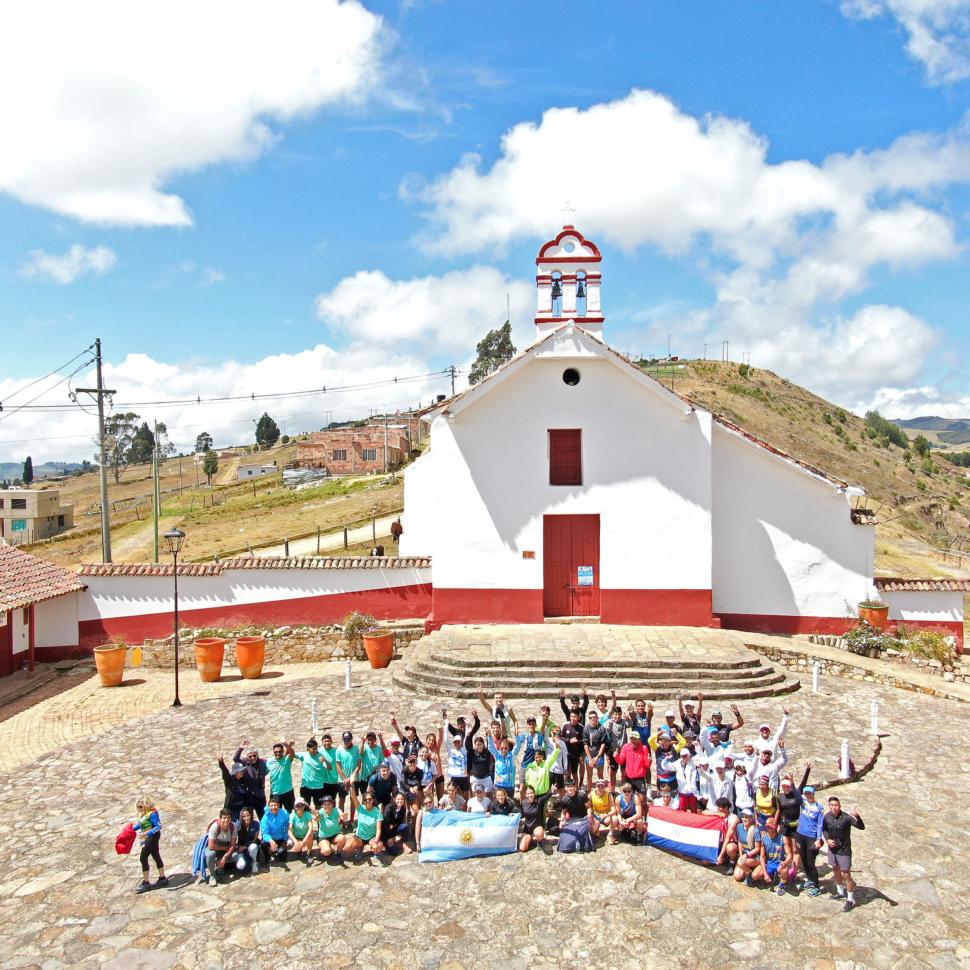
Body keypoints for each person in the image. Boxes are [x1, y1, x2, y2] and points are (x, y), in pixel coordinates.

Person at [823, 796, 865, 911]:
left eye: (836, 805)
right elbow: (824, 829)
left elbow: (861, 827)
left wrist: (857, 816)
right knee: (835, 868)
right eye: (832, 805)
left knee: (846, 874)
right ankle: (840, 891)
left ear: (839, 806)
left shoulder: (846, 818)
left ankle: (850, 899)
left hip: (844, 850)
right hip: (833, 849)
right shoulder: (827, 817)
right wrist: (827, 840)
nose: (834, 807)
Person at [795, 783, 826, 897]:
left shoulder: (819, 807)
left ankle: (817, 886)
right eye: (806, 793)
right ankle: (810, 880)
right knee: (804, 859)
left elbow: (820, 825)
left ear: (813, 794)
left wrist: (819, 839)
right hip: (800, 835)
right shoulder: (803, 803)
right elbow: (796, 792)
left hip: (811, 837)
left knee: (811, 862)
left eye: (810, 793)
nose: (808, 795)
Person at [134, 796, 167, 893]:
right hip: (148, 837)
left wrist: (146, 834)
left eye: (142, 805)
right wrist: (131, 829)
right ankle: (162, 878)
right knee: (155, 855)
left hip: (152, 837)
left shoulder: (152, 814)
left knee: (143, 858)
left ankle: (146, 882)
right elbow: (141, 824)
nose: (140, 808)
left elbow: (158, 826)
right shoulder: (145, 814)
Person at [344, 788, 385, 860]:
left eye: (370, 799)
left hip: (372, 837)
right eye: (365, 800)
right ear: (363, 801)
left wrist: (376, 841)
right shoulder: (361, 808)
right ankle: (360, 846)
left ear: (373, 800)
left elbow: (378, 829)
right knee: (348, 847)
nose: (368, 801)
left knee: (379, 847)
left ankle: (373, 846)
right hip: (360, 837)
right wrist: (352, 785)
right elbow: (353, 796)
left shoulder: (377, 812)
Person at [233, 741, 269, 818]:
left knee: (263, 817)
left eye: (254, 756)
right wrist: (240, 749)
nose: (252, 758)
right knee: (249, 818)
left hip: (260, 796)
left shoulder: (263, 762)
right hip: (250, 796)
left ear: (257, 755)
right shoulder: (245, 762)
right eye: (250, 756)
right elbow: (235, 758)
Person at [334, 731, 363, 824]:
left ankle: (352, 820)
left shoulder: (356, 749)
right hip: (342, 780)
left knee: (353, 799)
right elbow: (338, 767)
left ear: (351, 739)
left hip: (354, 780)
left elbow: (359, 765)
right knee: (342, 800)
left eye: (348, 739)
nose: (346, 741)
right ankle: (341, 821)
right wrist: (344, 779)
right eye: (345, 739)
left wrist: (352, 777)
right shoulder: (339, 750)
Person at [297, 738, 332, 810]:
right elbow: (292, 754)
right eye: (313, 749)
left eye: (316, 748)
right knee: (305, 806)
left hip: (318, 787)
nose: (315, 751)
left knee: (319, 807)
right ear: (308, 749)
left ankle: (318, 821)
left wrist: (325, 760)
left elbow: (330, 768)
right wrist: (287, 745)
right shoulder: (303, 756)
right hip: (306, 786)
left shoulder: (321, 756)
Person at [443, 711, 472, 796]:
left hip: (464, 776)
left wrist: (467, 726)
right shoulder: (451, 751)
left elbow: (467, 737)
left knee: (466, 795)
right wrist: (446, 725)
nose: (457, 744)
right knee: (455, 795)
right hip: (454, 776)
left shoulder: (464, 749)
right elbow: (446, 739)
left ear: (462, 742)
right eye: (455, 742)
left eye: (458, 742)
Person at [217, 753, 251, 822]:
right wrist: (221, 761)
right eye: (239, 771)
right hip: (233, 809)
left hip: (242, 807)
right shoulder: (230, 781)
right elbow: (225, 772)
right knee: (233, 826)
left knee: (243, 826)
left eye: (242, 771)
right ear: (235, 772)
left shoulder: (244, 781)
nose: (241, 772)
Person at [761, 819, 793, 894]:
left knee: (785, 871)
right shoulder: (764, 838)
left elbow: (789, 854)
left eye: (771, 827)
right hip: (770, 863)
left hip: (779, 863)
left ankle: (782, 884)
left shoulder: (782, 838)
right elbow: (762, 856)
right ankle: (771, 875)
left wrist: (785, 862)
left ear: (775, 827)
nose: (769, 829)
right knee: (756, 875)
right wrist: (765, 873)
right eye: (768, 827)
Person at [615, 731, 652, 796]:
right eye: (632, 739)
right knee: (629, 798)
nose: (634, 741)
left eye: (635, 739)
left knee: (642, 799)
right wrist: (616, 756)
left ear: (639, 739)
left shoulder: (644, 748)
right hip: (629, 777)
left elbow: (647, 765)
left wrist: (649, 761)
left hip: (640, 777)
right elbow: (620, 761)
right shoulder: (626, 747)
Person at [206, 809, 238, 882]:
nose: (226, 820)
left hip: (224, 849)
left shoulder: (233, 827)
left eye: (228, 818)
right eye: (224, 818)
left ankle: (220, 865)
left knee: (235, 855)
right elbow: (211, 846)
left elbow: (233, 845)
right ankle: (212, 875)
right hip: (215, 848)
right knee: (211, 854)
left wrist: (225, 857)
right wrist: (223, 848)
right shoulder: (215, 827)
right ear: (221, 818)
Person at [709, 797, 741, 869]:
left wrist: (720, 856)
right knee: (706, 861)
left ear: (726, 807)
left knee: (730, 848)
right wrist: (715, 813)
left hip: (732, 842)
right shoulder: (719, 814)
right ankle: (724, 858)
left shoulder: (733, 819)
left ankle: (732, 862)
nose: (718, 809)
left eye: (720, 807)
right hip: (720, 841)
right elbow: (703, 812)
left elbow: (727, 838)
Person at [605, 706, 631, 789]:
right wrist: (610, 724)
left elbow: (630, 724)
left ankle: (624, 788)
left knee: (623, 770)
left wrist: (628, 718)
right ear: (613, 714)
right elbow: (607, 730)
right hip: (613, 750)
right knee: (613, 770)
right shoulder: (610, 722)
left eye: (619, 714)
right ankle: (613, 788)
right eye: (616, 714)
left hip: (623, 750)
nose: (618, 716)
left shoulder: (623, 722)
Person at [733, 809, 763, 884]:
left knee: (740, 863)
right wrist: (740, 855)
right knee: (738, 877)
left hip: (754, 856)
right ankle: (748, 870)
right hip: (744, 855)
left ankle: (749, 874)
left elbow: (757, 848)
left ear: (751, 819)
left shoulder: (755, 830)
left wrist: (746, 855)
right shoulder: (739, 827)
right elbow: (739, 841)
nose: (744, 819)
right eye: (743, 817)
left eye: (746, 817)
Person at [259, 796, 290, 865]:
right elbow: (264, 833)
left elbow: (287, 828)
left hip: (280, 838)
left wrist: (285, 841)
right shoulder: (266, 817)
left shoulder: (284, 813)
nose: (273, 807)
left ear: (279, 805)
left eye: (275, 805)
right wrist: (271, 841)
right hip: (271, 838)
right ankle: (267, 856)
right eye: (271, 806)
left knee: (283, 858)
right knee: (263, 843)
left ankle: (278, 851)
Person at [267, 741, 297, 813]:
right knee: (275, 813)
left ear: (283, 751)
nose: (278, 753)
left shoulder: (287, 760)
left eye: (280, 751)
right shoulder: (269, 763)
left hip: (288, 791)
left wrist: (286, 745)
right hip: (275, 793)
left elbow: (292, 753)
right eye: (276, 752)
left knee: (290, 812)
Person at [583, 710, 609, 790]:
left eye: (594, 718)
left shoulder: (602, 729)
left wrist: (598, 757)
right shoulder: (586, 729)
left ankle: (602, 792)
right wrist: (590, 758)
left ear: (597, 718)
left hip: (599, 755)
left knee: (600, 776)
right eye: (590, 718)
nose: (592, 719)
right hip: (590, 755)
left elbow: (603, 744)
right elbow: (585, 744)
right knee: (589, 776)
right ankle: (589, 793)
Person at [316, 794, 346, 860]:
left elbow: (341, 815)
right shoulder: (321, 811)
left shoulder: (336, 810)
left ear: (332, 804)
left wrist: (343, 816)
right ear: (322, 805)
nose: (327, 806)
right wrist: (317, 817)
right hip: (324, 837)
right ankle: (325, 848)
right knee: (326, 851)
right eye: (325, 804)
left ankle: (338, 853)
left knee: (343, 838)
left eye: (329, 804)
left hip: (335, 835)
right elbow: (317, 818)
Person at [560, 710, 585, 786]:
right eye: (572, 716)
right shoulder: (566, 726)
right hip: (566, 753)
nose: (573, 718)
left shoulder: (581, 728)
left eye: (575, 717)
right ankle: (566, 788)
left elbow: (584, 740)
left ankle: (576, 788)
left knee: (574, 772)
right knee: (567, 772)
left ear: (578, 718)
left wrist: (577, 741)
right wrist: (569, 740)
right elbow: (561, 737)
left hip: (576, 753)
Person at [518, 785, 546, 852]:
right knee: (522, 848)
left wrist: (552, 791)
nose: (530, 795)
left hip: (537, 826)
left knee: (539, 833)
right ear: (525, 794)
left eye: (531, 793)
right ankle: (530, 838)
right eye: (528, 793)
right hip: (528, 828)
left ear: (534, 793)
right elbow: (522, 815)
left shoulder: (539, 801)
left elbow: (546, 796)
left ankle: (540, 840)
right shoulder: (523, 803)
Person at [234, 806, 261, 873]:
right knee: (241, 866)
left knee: (253, 847)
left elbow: (255, 838)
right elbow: (234, 840)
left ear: (251, 815)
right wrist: (238, 847)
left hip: (250, 845)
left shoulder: (256, 824)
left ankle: (254, 862)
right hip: (241, 848)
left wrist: (246, 846)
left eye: (247, 815)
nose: (246, 818)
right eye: (243, 816)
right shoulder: (237, 825)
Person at [290, 799, 316, 866]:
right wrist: (295, 841)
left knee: (311, 835)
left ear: (304, 806)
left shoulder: (307, 814)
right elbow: (289, 830)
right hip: (297, 837)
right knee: (297, 849)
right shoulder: (292, 815)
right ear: (294, 807)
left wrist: (306, 837)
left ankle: (309, 852)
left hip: (306, 835)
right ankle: (300, 850)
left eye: (301, 806)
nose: (299, 808)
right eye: (297, 806)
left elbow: (310, 827)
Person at [318, 734, 342, 804]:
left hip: (333, 780)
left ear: (331, 741)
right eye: (325, 741)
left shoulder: (336, 751)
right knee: (323, 801)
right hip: (323, 781)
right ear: (322, 743)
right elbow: (310, 749)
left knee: (332, 800)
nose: (326, 743)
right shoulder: (319, 751)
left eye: (328, 741)